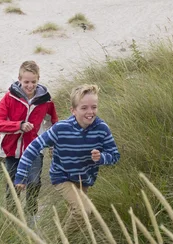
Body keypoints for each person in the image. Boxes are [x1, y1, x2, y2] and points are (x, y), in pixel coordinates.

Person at [14, 84, 120, 234]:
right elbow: (33, 148)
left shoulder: (102, 129)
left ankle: (57, 241)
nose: (90, 112)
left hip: (84, 178)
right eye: (84, 108)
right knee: (83, 211)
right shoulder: (61, 128)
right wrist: (21, 175)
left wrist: (101, 157)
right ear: (73, 110)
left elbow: (114, 156)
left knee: (75, 212)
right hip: (61, 176)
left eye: (94, 107)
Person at [0, 60, 58, 220]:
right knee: (12, 187)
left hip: (35, 149)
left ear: (38, 79)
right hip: (12, 150)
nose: (29, 85)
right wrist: (18, 126)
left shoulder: (46, 100)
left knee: (34, 182)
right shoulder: (9, 98)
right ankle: (12, 218)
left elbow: (52, 122)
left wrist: (52, 144)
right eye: (26, 82)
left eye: (33, 82)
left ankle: (31, 215)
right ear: (19, 80)